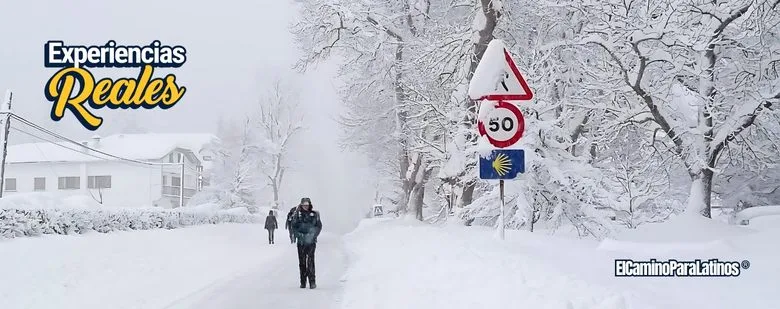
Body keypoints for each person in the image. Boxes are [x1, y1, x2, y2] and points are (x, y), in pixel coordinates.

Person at [290, 197, 322, 289]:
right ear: (301, 205)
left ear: (309, 205)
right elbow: (294, 227)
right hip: (301, 242)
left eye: (307, 204)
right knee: (302, 261)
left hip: (311, 241)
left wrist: (313, 235)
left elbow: (318, 226)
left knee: (311, 261)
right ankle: (303, 281)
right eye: (304, 204)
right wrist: (299, 235)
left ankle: (312, 281)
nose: (305, 206)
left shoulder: (315, 214)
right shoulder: (297, 215)